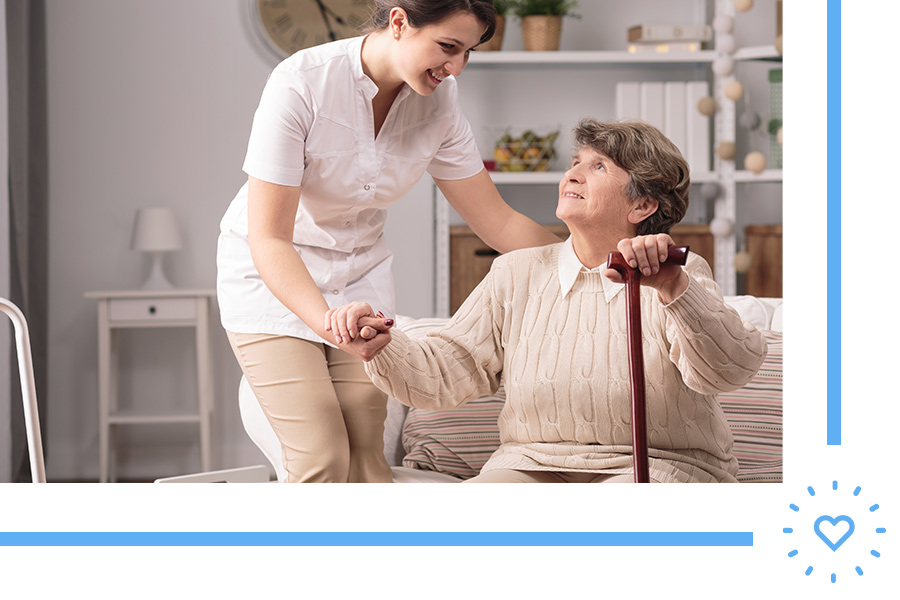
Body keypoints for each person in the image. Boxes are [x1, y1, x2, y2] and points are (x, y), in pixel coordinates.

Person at [216, 0, 560, 483]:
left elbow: (498, 221)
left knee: (369, 460)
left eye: (469, 52)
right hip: (273, 276)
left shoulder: (440, 101)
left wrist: (588, 267)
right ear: (398, 22)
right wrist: (326, 321)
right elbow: (270, 238)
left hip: (358, 278)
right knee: (322, 458)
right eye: (448, 46)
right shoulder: (302, 82)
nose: (456, 66)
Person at [363, 118, 769, 483]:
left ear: (642, 204)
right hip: (529, 462)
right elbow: (448, 372)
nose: (573, 174)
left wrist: (673, 289)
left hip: (659, 463)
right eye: (576, 162)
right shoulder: (515, 272)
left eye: (598, 167)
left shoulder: (680, 271)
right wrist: (382, 346)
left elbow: (727, 371)